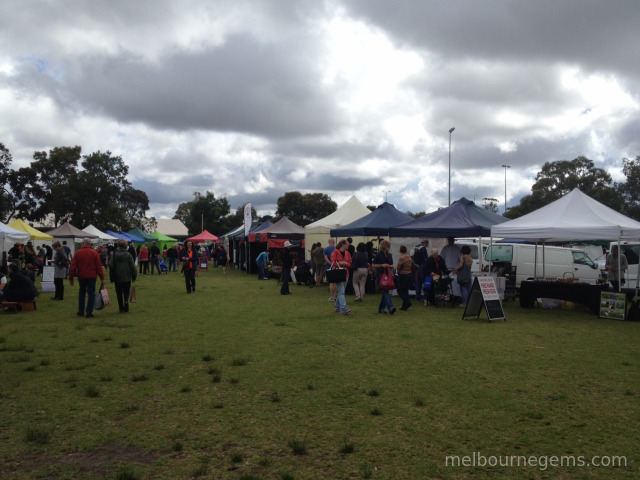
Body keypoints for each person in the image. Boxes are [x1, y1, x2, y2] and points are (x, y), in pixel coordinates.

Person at [69, 238, 105, 318]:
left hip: (81, 275)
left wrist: (71, 278)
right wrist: (102, 277)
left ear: (83, 244)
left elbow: (73, 266)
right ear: (90, 244)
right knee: (91, 293)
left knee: (81, 292)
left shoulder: (78, 253)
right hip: (92, 276)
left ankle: (81, 311)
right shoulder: (94, 253)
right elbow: (99, 266)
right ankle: (89, 312)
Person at [109, 239, 137, 313]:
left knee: (119, 293)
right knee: (126, 291)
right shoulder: (128, 255)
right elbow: (133, 267)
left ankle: (121, 307)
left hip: (117, 276)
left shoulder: (114, 254)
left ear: (118, 245)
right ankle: (126, 301)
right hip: (127, 276)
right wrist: (134, 277)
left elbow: (111, 265)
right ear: (126, 246)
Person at [372, 240, 396, 314]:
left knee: (385, 291)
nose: (389, 248)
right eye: (388, 246)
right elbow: (373, 265)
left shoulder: (389, 255)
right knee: (385, 291)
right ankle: (390, 307)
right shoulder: (379, 255)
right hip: (380, 275)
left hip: (388, 275)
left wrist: (390, 266)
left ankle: (381, 309)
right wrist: (382, 265)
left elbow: (392, 264)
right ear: (385, 246)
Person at [330, 239, 352, 314]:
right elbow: (333, 263)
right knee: (341, 291)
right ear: (343, 245)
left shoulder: (347, 253)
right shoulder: (335, 252)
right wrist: (341, 263)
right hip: (338, 274)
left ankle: (337, 307)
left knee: (341, 291)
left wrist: (346, 264)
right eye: (347, 244)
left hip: (346, 273)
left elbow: (349, 263)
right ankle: (344, 308)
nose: (348, 245)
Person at [396, 245, 414, 311]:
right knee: (405, 291)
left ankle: (408, 302)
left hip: (403, 275)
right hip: (410, 275)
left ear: (400, 250)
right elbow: (412, 266)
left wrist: (398, 273)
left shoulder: (402, 258)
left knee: (400, 291)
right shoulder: (409, 257)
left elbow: (398, 267)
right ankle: (404, 307)